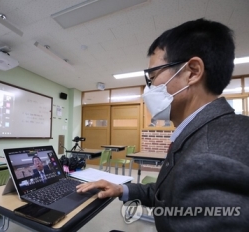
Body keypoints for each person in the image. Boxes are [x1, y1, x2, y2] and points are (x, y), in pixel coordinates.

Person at [77, 18, 249, 231]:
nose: (148, 89)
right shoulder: (202, 132)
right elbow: (170, 198)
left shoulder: (209, 157)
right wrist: (122, 189)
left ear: (192, 72)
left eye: (153, 76)